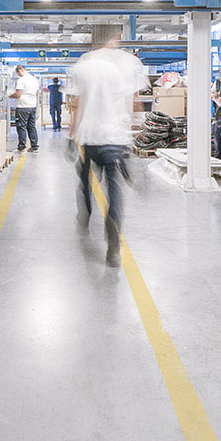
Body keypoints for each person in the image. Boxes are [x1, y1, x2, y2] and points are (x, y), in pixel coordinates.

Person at [69, 31, 148, 267]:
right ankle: (113, 235)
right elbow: (134, 99)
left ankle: (85, 213)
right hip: (115, 138)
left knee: (85, 178)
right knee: (114, 188)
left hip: (90, 136)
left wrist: (71, 134)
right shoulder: (129, 62)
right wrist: (140, 123)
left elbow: (78, 101)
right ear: (116, 37)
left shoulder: (84, 64)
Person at [8, 65, 40, 152]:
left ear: (19, 71)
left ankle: (21, 147)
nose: (18, 75)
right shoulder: (34, 79)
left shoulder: (21, 80)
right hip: (32, 106)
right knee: (31, 126)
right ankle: (34, 147)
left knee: (21, 127)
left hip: (22, 106)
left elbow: (18, 94)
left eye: (17, 73)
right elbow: (36, 93)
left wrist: (10, 95)